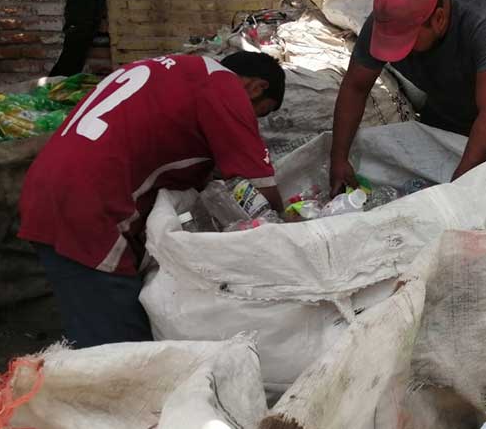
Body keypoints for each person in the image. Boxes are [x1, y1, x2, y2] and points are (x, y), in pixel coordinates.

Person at [19, 52, 286, 348]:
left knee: (88, 313)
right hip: (90, 203)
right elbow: (260, 190)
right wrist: (291, 231)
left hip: (47, 185)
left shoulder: (176, 69)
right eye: (260, 113)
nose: (253, 122)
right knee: (121, 348)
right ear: (257, 88)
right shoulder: (224, 86)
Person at [330, 0, 486, 193]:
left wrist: (453, 193)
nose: (402, 53)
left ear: (439, 20)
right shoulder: (388, 22)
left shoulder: (485, 18)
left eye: (407, 44)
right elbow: (355, 88)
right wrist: (339, 159)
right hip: (445, 111)